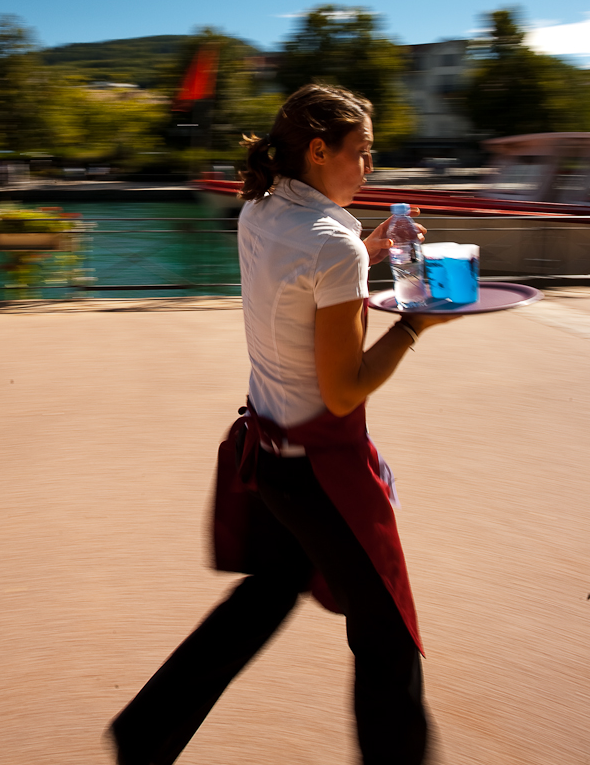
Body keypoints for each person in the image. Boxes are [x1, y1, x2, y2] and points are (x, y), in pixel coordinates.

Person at [108, 84, 458, 765]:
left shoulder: (261, 210)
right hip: (320, 473)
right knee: (387, 640)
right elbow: (343, 386)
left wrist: (367, 245)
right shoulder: (333, 247)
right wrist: (415, 324)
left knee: (266, 596)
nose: (369, 168)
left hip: (268, 457)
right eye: (361, 153)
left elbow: (304, 268)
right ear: (320, 150)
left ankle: (144, 735)